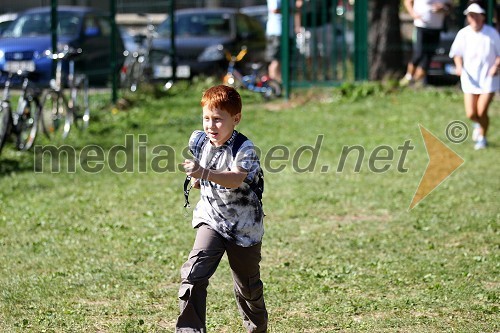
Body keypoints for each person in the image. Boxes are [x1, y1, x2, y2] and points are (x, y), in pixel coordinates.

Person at [176, 85, 267, 332]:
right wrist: (198, 179)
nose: (210, 126)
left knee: (248, 288)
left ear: (235, 119)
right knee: (193, 275)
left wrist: (202, 172)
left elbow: (235, 178)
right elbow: (201, 181)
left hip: (244, 228)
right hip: (212, 220)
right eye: (206, 118)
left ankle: (256, 329)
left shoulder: (245, 149)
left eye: (218, 120)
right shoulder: (200, 141)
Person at [449, 2, 500, 150]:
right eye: (471, 16)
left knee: (482, 110)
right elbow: (456, 54)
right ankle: (478, 124)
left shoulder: (491, 33)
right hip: (470, 78)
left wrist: (495, 67)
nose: (474, 19)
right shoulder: (463, 34)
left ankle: (482, 137)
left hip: (489, 78)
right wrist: (459, 67)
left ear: (482, 17)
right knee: (471, 113)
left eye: (477, 16)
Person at [400, 0, 452, 86]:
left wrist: (443, 8)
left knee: (428, 57)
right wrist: (413, 14)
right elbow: (407, 2)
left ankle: (417, 82)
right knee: (418, 53)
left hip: (436, 28)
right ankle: (408, 77)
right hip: (421, 26)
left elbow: (449, 7)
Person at [265, 0, 302, 83]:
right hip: (277, 32)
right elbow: (275, 10)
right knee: (276, 60)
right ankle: (275, 85)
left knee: (283, 60)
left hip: (287, 32)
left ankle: (279, 84)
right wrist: (290, 9)